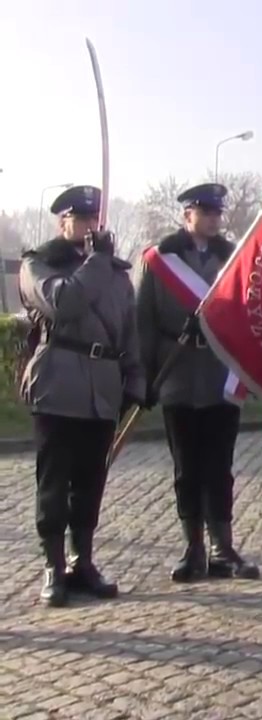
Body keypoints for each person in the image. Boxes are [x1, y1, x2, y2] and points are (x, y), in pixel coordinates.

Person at [20, 185, 145, 607]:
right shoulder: (38, 263)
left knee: (91, 480)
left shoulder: (115, 273)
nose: (92, 226)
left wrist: (135, 381)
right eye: (83, 218)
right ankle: (53, 566)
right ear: (63, 222)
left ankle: (82, 560)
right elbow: (66, 301)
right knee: (54, 482)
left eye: (96, 219)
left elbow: (128, 331)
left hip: (102, 388)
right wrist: (97, 260)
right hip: (59, 383)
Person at [135, 182, 258, 583]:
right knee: (187, 468)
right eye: (205, 212)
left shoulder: (234, 258)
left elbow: (249, 314)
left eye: (216, 213)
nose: (213, 219)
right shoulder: (162, 260)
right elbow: (145, 324)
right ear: (188, 215)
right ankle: (194, 549)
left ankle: (223, 548)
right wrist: (148, 378)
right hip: (179, 375)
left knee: (220, 467)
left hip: (222, 376)